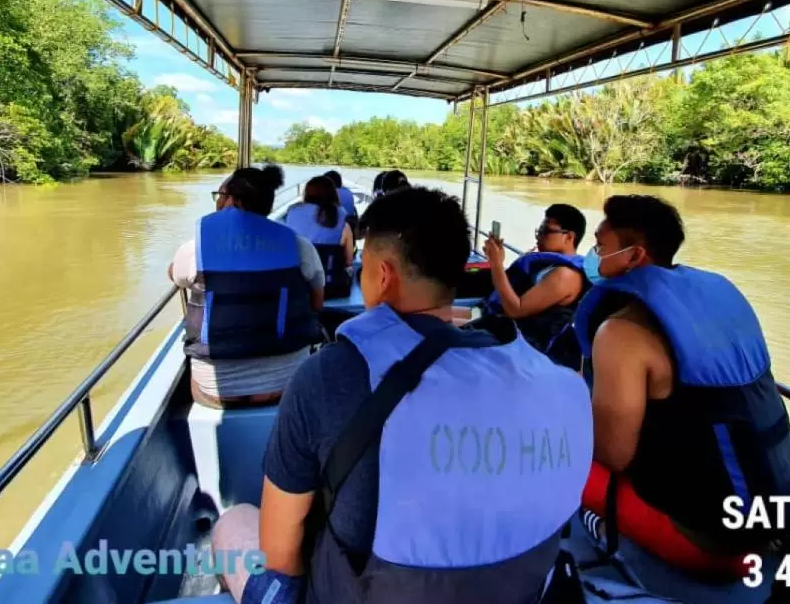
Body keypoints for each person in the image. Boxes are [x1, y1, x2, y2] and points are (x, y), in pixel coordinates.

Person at [212, 187, 594, 604]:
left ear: (384, 275)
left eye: (365, 264)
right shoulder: (553, 380)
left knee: (233, 524)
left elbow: (280, 554)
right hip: (517, 592)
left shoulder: (328, 374)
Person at [572, 194, 790, 576]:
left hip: (713, 547)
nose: (593, 255)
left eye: (600, 246)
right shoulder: (720, 295)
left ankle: (610, 541)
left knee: (548, 450)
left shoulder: (621, 331)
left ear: (634, 256)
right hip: (782, 521)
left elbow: (612, 454)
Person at [168, 165, 326, 408]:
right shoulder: (300, 246)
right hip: (287, 385)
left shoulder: (195, 248)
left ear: (231, 201)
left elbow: (175, 275)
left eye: (219, 195)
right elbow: (317, 304)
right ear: (269, 205)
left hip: (215, 391)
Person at [478, 204, 588, 351]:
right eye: (539, 231)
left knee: (441, 327)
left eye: (546, 231)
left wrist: (496, 263)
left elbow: (515, 310)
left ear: (569, 237)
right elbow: (508, 291)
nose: (539, 236)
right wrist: (499, 262)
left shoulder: (565, 276)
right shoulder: (546, 264)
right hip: (498, 320)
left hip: (517, 341)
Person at [283, 175, 356, 298]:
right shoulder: (342, 218)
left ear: (306, 193)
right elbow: (349, 261)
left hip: (299, 288)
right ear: (333, 194)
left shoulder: (292, 213)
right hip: (333, 288)